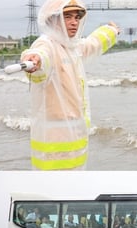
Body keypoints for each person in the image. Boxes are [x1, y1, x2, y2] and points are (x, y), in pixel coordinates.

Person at [20, 0, 119, 170]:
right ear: (53, 20)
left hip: (76, 142)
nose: (74, 22)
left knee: (74, 188)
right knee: (51, 192)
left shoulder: (72, 47)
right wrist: (34, 60)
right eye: (67, 17)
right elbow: (40, 56)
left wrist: (111, 31)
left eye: (77, 17)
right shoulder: (47, 44)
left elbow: (92, 44)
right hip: (52, 145)